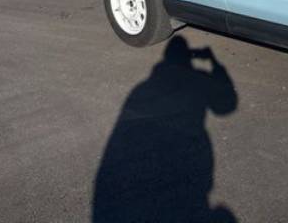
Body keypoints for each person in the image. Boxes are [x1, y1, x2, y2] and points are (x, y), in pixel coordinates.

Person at [92, 36, 238, 222]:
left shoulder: (142, 87)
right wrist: (215, 63)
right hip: (186, 161)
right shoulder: (197, 79)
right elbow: (225, 107)